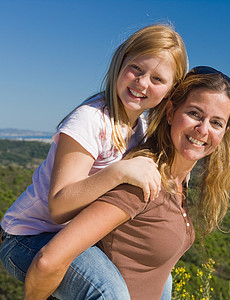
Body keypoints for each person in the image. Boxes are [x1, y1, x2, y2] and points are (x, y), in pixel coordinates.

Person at [0, 24, 188, 299]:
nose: (142, 82)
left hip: (75, 236)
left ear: (170, 91)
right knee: (110, 293)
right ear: (120, 62)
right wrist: (118, 172)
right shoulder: (90, 119)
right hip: (28, 237)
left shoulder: (139, 127)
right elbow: (59, 206)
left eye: (158, 79)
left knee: (161, 282)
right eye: (136, 68)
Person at [23, 66, 230, 300]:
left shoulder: (179, 180)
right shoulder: (140, 182)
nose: (203, 129)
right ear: (170, 112)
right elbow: (49, 261)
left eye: (216, 123)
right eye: (195, 114)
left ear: (224, 132)